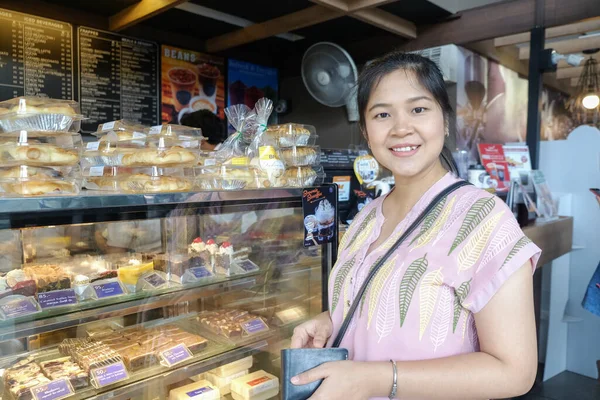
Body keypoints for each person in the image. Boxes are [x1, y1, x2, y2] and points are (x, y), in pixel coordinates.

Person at [290, 52, 542, 400]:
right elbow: (381, 299)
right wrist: (331, 320)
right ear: (365, 130)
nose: (400, 127)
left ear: (445, 121)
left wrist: (376, 380)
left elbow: (514, 372)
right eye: (382, 114)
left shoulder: (483, 219)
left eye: (419, 109)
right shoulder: (365, 218)